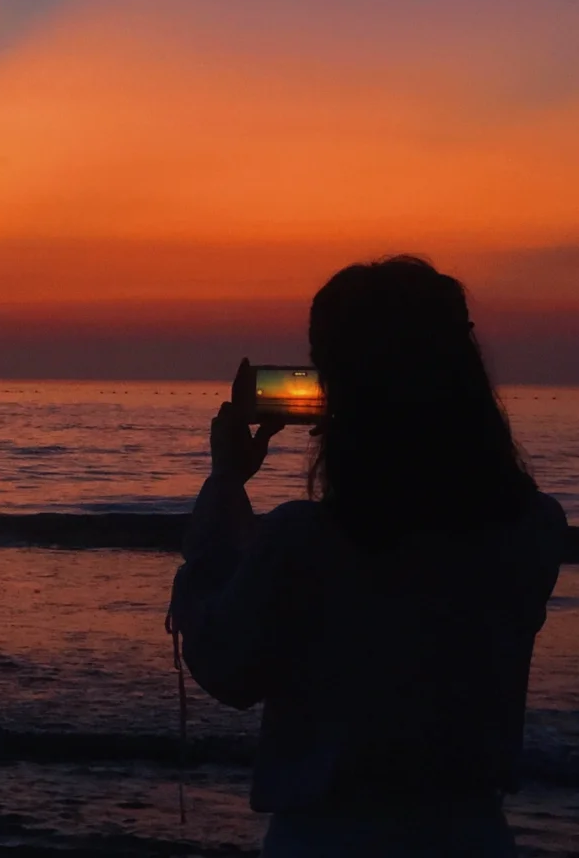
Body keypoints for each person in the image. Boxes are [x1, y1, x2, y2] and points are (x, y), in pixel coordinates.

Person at [169, 256, 569, 857]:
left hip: (327, 837)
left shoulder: (305, 541)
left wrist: (227, 482)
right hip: (473, 835)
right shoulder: (535, 528)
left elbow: (226, 663)